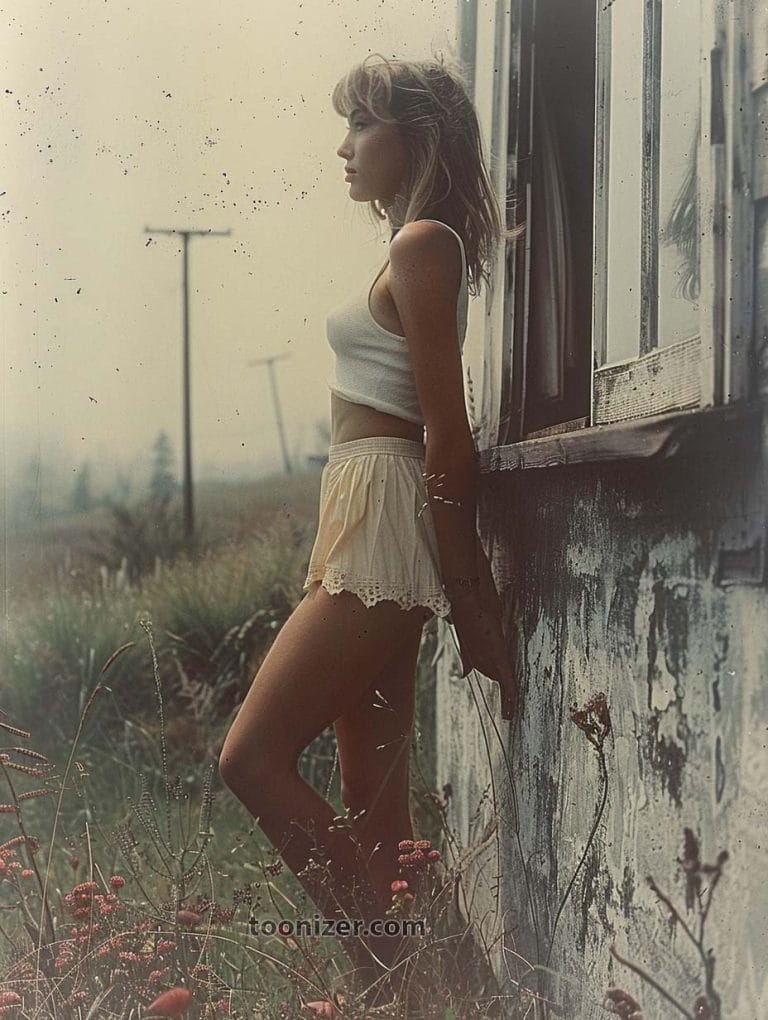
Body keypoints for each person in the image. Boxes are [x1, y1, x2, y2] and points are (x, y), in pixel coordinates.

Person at [218, 53, 522, 1007]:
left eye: (362, 125)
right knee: (378, 819)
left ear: (416, 138)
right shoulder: (408, 246)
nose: (344, 147)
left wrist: (469, 600)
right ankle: (425, 992)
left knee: (251, 758)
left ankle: (399, 969)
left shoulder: (424, 243)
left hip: (387, 514)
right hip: (363, 511)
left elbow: (447, 433)